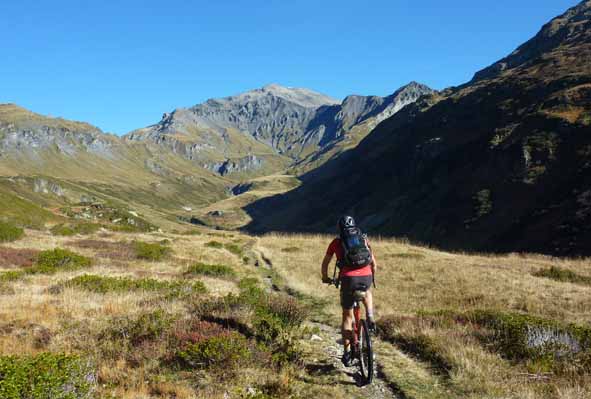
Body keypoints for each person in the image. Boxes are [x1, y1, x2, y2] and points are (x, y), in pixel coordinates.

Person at [321, 215, 376, 367]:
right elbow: (373, 262)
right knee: (368, 292)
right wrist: (372, 275)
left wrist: (325, 278)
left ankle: (347, 353)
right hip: (366, 276)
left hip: (348, 280)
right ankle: (370, 316)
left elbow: (325, 263)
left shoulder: (336, 242)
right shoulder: (363, 238)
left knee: (347, 316)